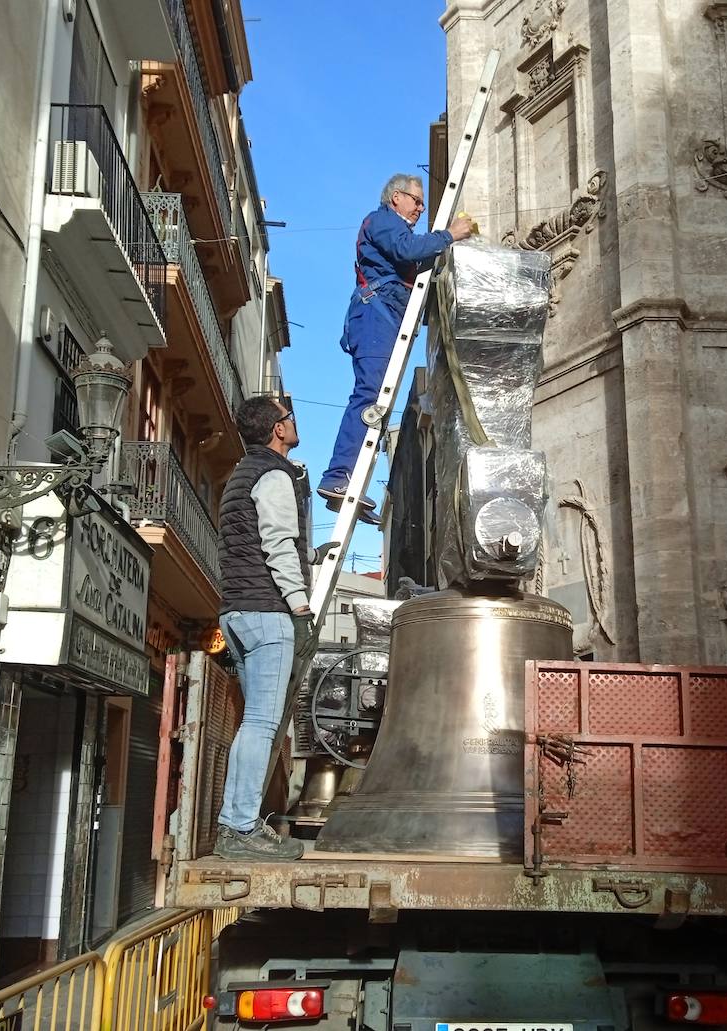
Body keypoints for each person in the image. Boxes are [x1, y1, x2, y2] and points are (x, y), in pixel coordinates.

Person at [316, 174, 475, 523]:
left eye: (421, 202)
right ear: (396, 198)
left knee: (378, 403)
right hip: (375, 314)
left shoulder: (391, 226)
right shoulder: (384, 221)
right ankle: (338, 476)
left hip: (383, 315)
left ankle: (347, 483)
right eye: (415, 200)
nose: (421, 207)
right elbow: (407, 249)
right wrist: (450, 234)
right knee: (370, 396)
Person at [212, 395, 319, 861]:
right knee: (260, 723)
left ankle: (235, 823)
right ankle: (238, 827)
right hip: (267, 612)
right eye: (289, 418)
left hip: (236, 610)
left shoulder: (238, 477)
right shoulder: (274, 475)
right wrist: (300, 607)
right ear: (278, 429)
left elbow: (249, 542)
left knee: (251, 724)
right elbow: (277, 542)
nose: (294, 423)